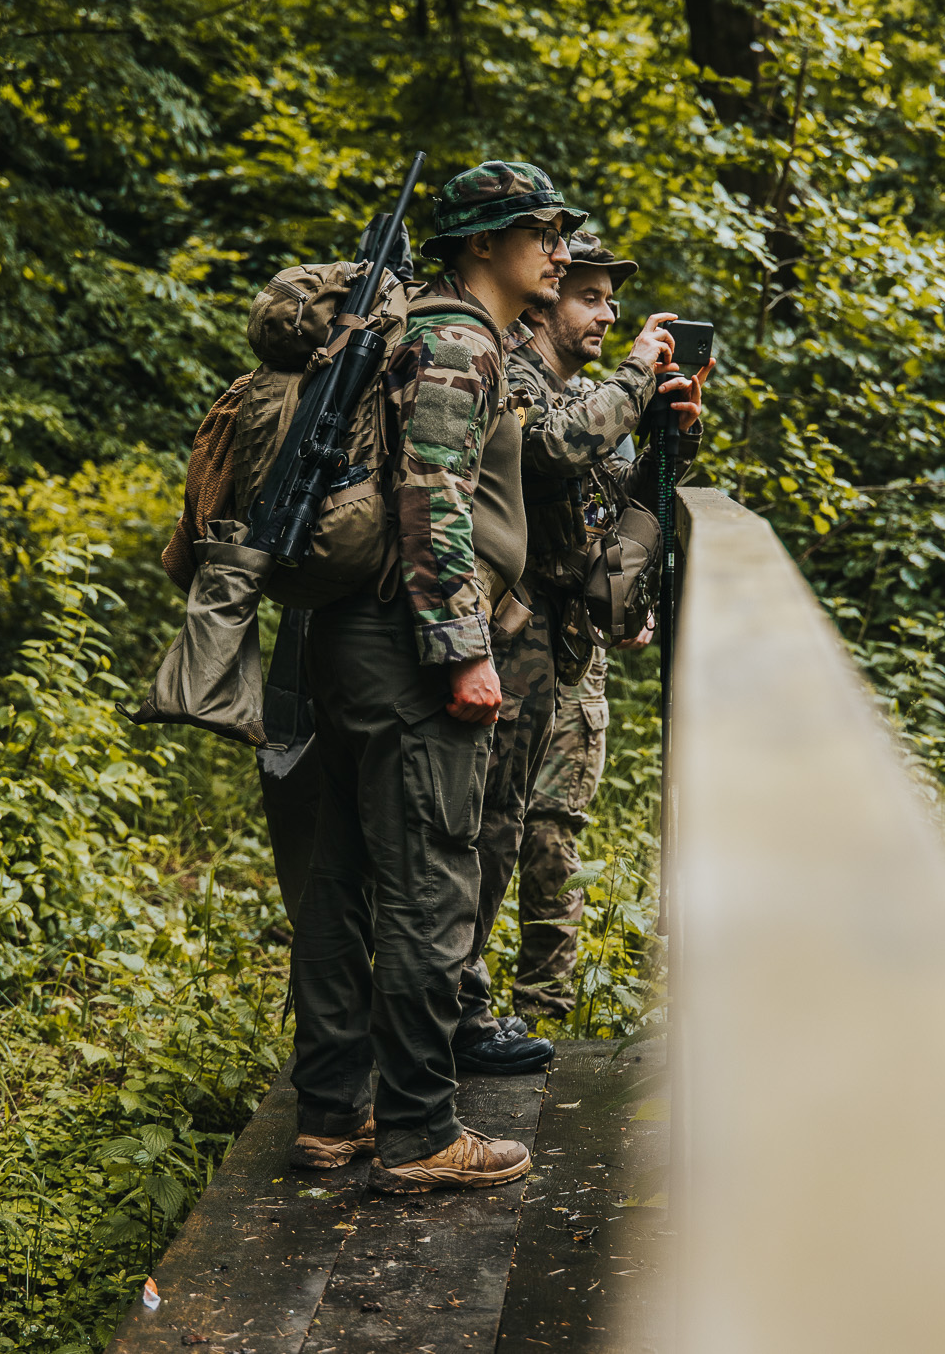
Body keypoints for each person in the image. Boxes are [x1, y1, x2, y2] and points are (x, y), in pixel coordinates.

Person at [284, 160, 577, 1194]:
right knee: (429, 882)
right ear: (483, 244)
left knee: (349, 879)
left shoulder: (431, 327)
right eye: (539, 228)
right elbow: (434, 495)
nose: (556, 245)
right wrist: (462, 651)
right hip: (407, 647)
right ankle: (417, 1132)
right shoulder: (456, 339)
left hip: (358, 637)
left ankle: (334, 1112)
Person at [452, 232, 707, 1061]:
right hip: (501, 634)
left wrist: (672, 431)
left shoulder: (583, 390)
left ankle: (463, 1008)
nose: (609, 313)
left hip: (551, 644)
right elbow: (554, 453)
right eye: (590, 297)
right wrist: (638, 377)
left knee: (511, 825)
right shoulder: (518, 376)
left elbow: (608, 503)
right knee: (485, 831)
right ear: (545, 302)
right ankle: (450, 1016)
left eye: (610, 299)